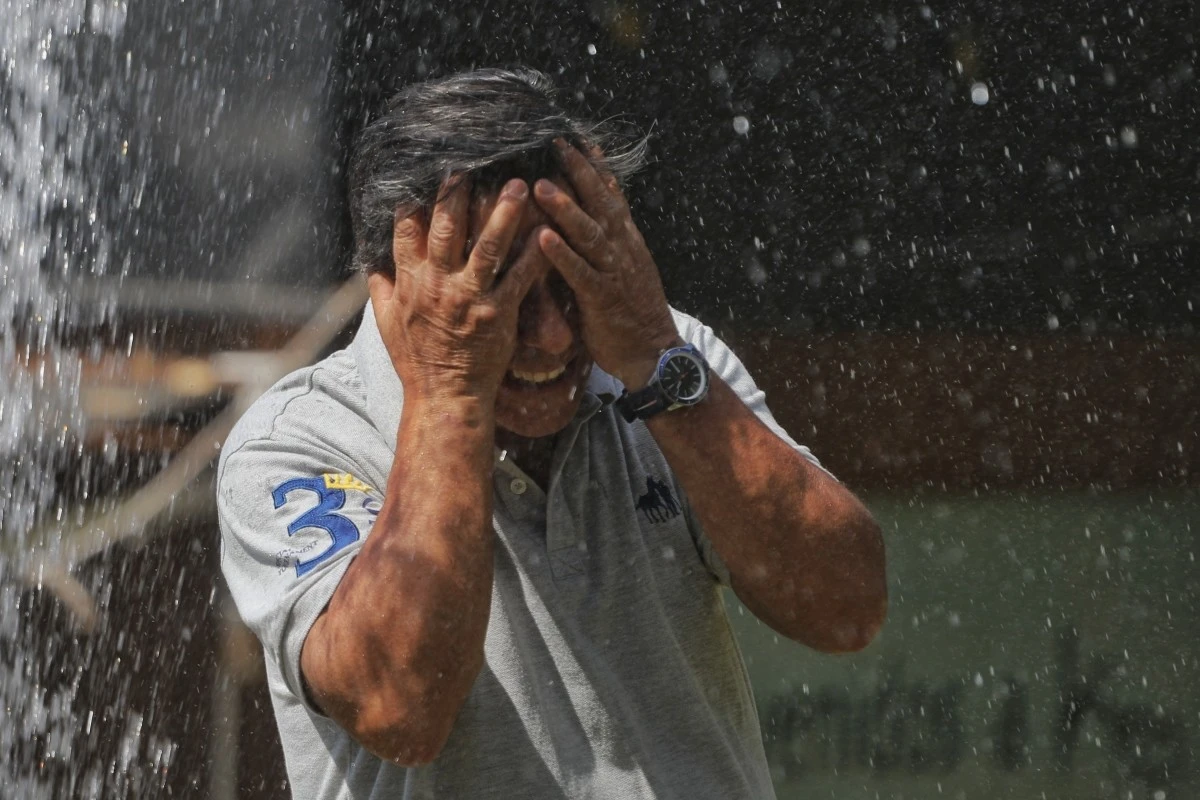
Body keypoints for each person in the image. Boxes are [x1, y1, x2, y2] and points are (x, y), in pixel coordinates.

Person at [217, 68, 887, 799]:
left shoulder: (662, 358)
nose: (552, 334)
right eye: (501, 289)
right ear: (395, 283)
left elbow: (846, 608)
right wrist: (451, 394)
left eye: (569, 280)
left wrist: (659, 363)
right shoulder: (293, 443)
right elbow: (399, 708)